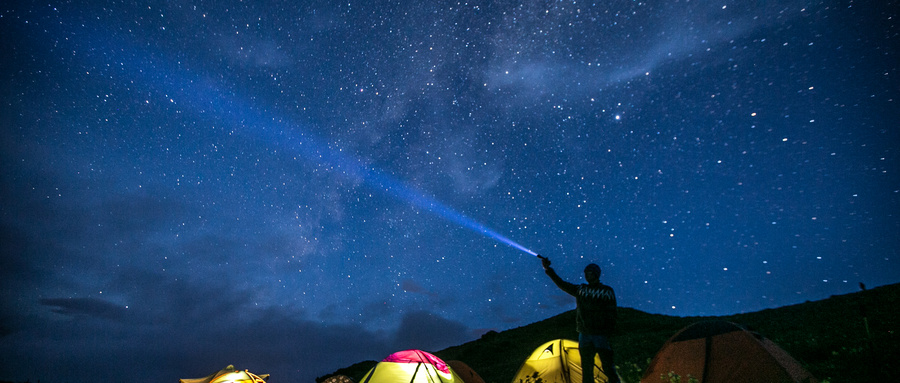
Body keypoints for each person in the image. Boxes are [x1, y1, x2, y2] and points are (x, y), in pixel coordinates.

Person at [539, 255, 620, 383]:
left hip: (600, 335)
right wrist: (548, 269)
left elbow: (612, 312)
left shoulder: (606, 291)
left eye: (590, 273)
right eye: (586, 273)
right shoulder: (581, 289)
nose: (587, 275)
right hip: (585, 334)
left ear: (596, 274)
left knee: (607, 366)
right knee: (586, 368)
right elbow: (562, 284)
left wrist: (609, 331)